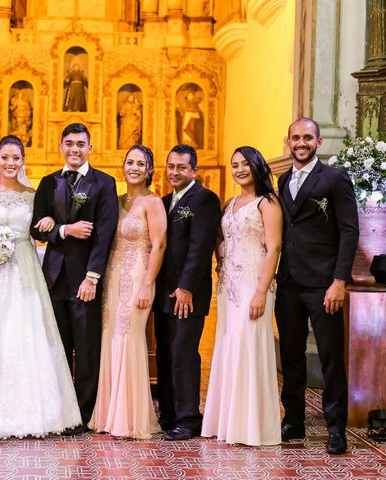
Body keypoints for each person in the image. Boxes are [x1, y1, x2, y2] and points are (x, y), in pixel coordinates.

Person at [0, 135, 81, 438]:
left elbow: (42, 228)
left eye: (16, 158)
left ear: (23, 160)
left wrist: (47, 226)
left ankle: (35, 411)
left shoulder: (33, 194)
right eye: (5, 157)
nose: (10, 163)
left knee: (26, 332)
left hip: (24, 267)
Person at [275, 117, 359, 454]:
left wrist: (339, 281)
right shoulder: (282, 180)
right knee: (291, 355)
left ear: (318, 142)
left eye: (307, 137)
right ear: (288, 141)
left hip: (324, 283)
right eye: (295, 137)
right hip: (290, 282)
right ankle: (293, 419)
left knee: (329, 357)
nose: (301, 143)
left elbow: (349, 231)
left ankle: (335, 427)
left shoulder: (335, 179)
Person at [30, 123, 118, 434]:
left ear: (90, 147)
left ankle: (82, 412)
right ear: (61, 146)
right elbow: (33, 229)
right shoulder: (47, 182)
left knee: (86, 345)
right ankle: (59, 408)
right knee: (58, 346)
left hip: (85, 280)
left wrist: (92, 277)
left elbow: (104, 235)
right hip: (53, 278)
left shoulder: (104, 184)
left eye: (80, 144)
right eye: (69, 143)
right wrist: (64, 230)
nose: (75, 149)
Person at [201, 146, 282, 446]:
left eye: (245, 163)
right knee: (229, 346)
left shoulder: (267, 202)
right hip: (229, 287)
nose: (239, 169)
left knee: (248, 347)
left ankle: (250, 426)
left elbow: (273, 247)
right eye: (234, 164)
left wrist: (261, 290)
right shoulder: (231, 202)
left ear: (257, 165)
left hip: (254, 284)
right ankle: (228, 422)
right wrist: (221, 259)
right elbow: (222, 237)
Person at [88, 145, 166, 439]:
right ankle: (109, 414)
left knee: (129, 338)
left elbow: (158, 245)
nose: (134, 167)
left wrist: (147, 283)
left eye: (140, 163)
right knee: (110, 338)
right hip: (112, 276)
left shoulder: (152, 202)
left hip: (137, 278)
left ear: (149, 170)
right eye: (129, 162)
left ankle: (130, 418)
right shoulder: (115, 200)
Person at [153, 143, 221, 441]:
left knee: (183, 354)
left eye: (181, 167)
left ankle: (188, 418)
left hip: (187, 294)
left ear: (194, 170)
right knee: (166, 353)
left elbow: (200, 246)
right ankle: (168, 414)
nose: (175, 172)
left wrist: (186, 287)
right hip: (164, 292)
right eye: (171, 166)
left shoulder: (204, 199)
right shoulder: (165, 200)